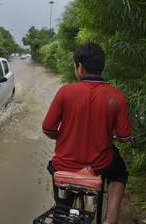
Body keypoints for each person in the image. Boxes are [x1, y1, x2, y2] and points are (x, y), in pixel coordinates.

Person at [42, 42, 132, 224]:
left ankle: (63, 213)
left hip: (64, 165)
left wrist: (65, 136)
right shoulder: (116, 96)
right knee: (119, 172)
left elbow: (48, 128)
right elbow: (123, 136)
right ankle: (111, 218)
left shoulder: (65, 92)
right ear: (101, 67)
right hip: (100, 165)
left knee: (62, 210)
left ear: (80, 67)